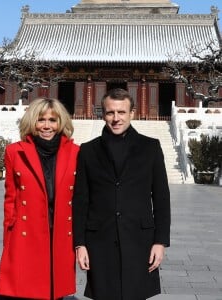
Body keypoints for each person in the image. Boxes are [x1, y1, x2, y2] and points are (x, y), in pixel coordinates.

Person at [72, 88, 171, 300]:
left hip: (139, 239)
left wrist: (160, 242)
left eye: (122, 112)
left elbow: (161, 198)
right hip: (100, 239)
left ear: (132, 113)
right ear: (102, 114)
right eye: (110, 113)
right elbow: (80, 200)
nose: (116, 118)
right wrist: (80, 244)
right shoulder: (88, 150)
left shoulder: (151, 147)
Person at [0, 98, 79, 300]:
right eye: (41, 120)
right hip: (26, 231)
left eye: (53, 120)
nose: (47, 126)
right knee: (25, 287)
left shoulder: (76, 153)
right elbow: (10, 199)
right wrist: (8, 239)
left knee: (54, 288)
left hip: (60, 231)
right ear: (32, 122)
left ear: (61, 123)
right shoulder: (15, 152)